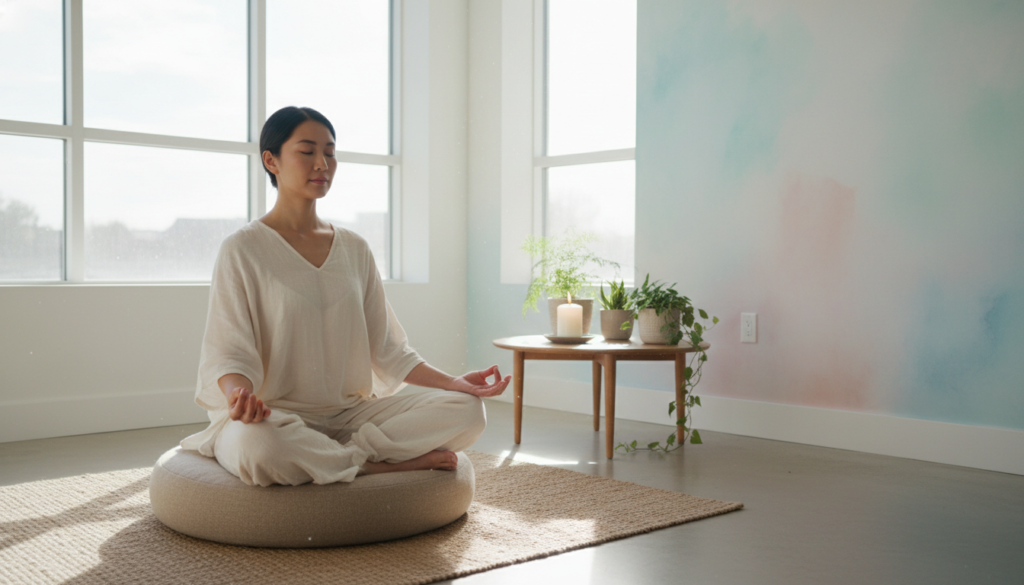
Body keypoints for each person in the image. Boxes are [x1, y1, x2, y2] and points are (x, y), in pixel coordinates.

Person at [179, 106, 510, 486]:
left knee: (469, 412)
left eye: (330, 152)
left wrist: (455, 383)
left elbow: (389, 350)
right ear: (271, 160)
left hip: (353, 417)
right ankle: (375, 464)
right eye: (307, 151)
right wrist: (241, 397)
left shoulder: (354, 248)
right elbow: (228, 350)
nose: (322, 163)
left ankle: (335, 458)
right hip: (276, 417)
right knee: (258, 446)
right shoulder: (243, 249)